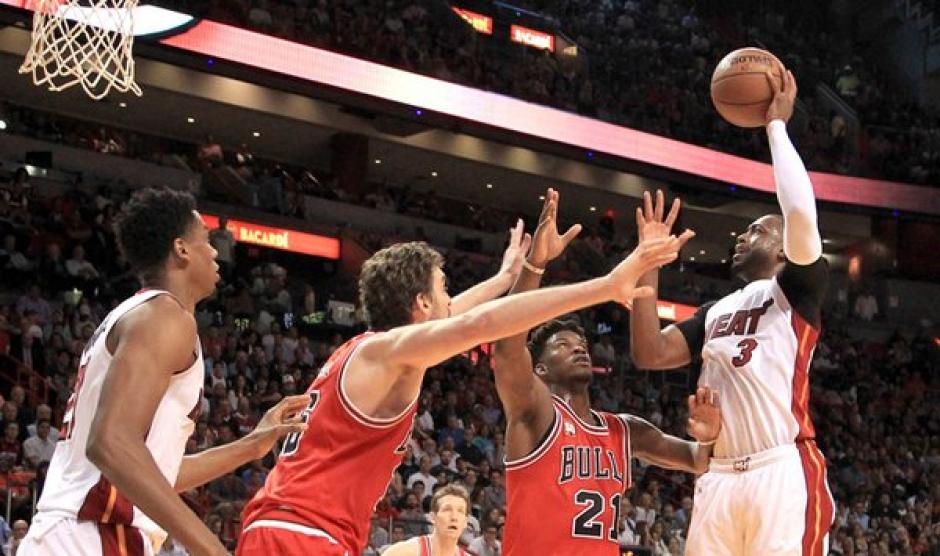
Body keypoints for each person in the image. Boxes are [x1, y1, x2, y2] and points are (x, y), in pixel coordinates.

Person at [238, 220, 691, 555]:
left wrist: (511, 273)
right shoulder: (388, 352)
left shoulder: (368, 351)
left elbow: (457, 312)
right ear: (420, 303)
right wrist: (606, 285)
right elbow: (480, 322)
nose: (449, 297)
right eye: (442, 288)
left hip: (292, 528)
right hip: (302, 535)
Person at [20, 187, 309, 556]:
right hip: (91, 536)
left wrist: (251, 445)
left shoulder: (139, 315)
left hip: (81, 533)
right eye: (206, 239)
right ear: (181, 249)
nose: (215, 250)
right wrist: (212, 549)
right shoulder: (164, 316)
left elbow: (153, 472)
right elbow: (110, 444)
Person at [629, 68, 835, 555]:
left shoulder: (797, 291)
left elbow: (802, 215)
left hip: (779, 470)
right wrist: (647, 265)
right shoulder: (714, 312)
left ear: (784, 248)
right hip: (719, 472)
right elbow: (648, 352)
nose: (742, 237)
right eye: (743, 232)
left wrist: (776, 127)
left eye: (758, 230)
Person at [491, 190, 719, 555]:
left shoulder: (624, 430)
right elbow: (506, 347)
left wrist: (707, 438)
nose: (579, 347)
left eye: (580, 342)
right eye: (563, 345)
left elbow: (697, 460)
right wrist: (534, 264)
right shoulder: (534, 412)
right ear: (540, 369)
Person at [380, 485, 471, 556]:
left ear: (465, 522)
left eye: (460, 511)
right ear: (432, 517)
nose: (454, 517)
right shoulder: (406, 552)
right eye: (447, 509)